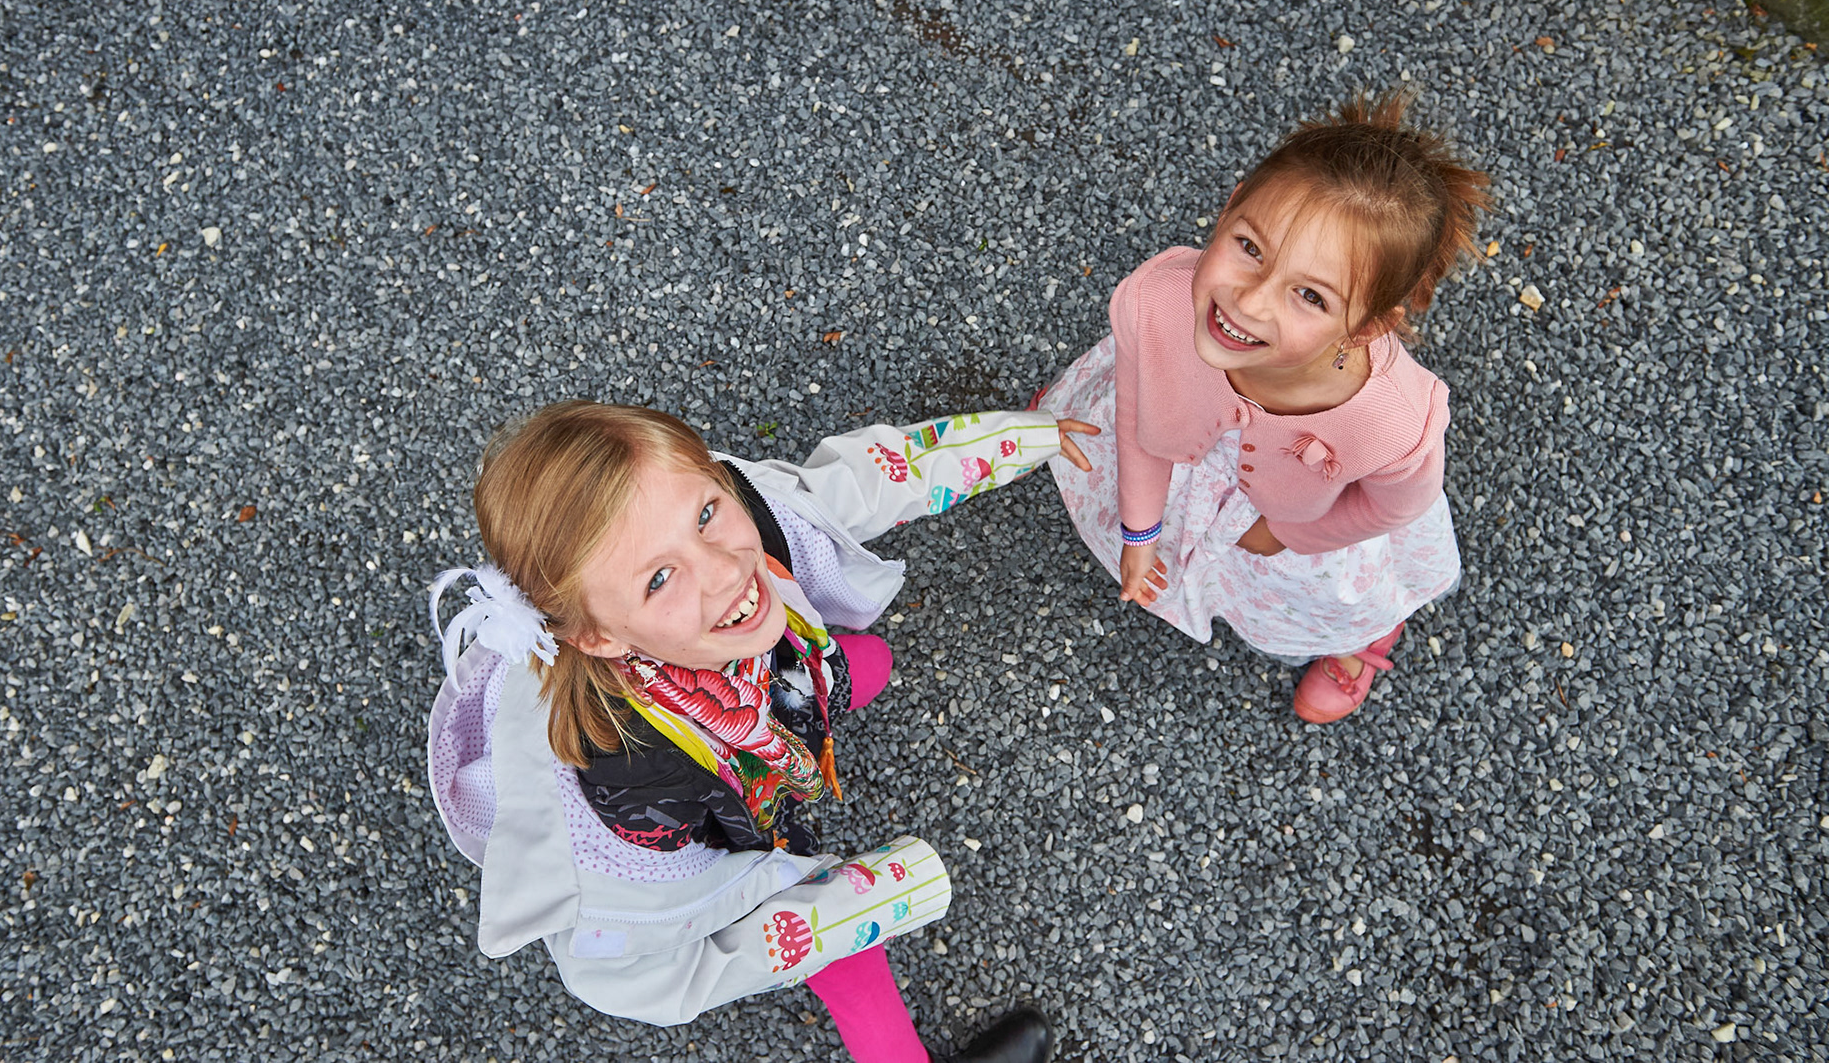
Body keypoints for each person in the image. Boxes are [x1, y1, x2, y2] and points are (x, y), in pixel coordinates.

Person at [426, 401, 1097, 1061]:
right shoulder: (628, 784)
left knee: (868, 663)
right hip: (729, 835)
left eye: (705, 515)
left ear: (714, 475)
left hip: (758, 694)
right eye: (660, 578)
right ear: (599, 637)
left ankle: (809, 707)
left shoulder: (740, 518)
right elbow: (640, 951)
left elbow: (863, 480)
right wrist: (830, 908)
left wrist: (1021, 438)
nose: (724, 568)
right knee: (847, 957)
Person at [1038, 89, 1489, 722]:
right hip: (1175, 428)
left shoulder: (1392, 425)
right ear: (1232, 205)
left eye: (1311, 296)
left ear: (1366, 329)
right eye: (1250, 247)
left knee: (1332, 596)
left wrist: (1284, 533)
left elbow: (1395, 506)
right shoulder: (1158, 304)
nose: (1248, 303)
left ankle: (1361, 636)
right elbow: (1141, 417)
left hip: (1305, 520)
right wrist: (1140, 530)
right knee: (1109, 425)